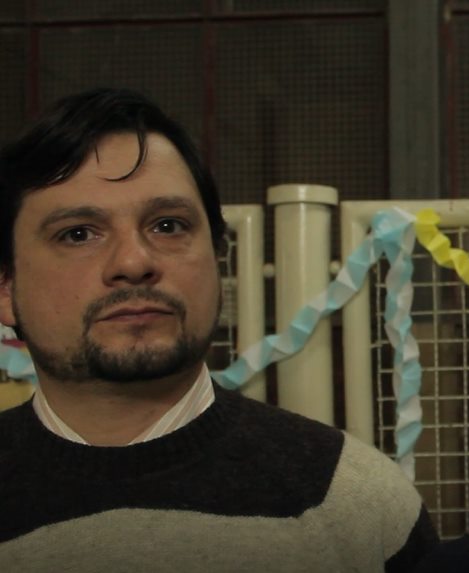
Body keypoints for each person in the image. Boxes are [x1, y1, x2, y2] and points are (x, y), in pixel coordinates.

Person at [0, 88, 438, 571]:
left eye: (168, 226)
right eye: (78, 233)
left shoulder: (356, 503)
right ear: (5, 288)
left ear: (216, 257)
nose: (134, 261)